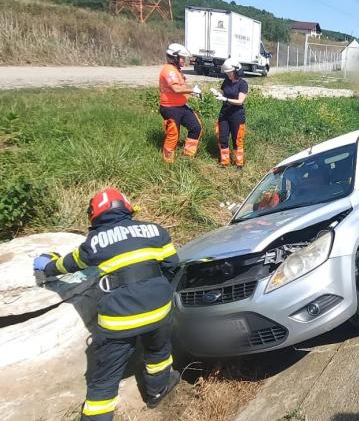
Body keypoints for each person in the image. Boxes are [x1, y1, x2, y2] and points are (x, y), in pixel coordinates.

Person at [32, 188, 180, 420]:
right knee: (158, 352)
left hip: (119, 320)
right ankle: (158, 391)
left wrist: (47, 265)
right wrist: (155, 292)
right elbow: (172, 265)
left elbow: (68, 264)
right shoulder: (156, 230)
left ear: (95, 215)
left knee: (105, 377)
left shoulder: (94, 242)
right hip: (160, 310)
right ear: (127, 207)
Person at [158, 43, 203, 163]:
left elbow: (181, 87)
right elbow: (176, 89)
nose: (184, 61)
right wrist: (192, 90)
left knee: (196, 127)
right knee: (173, 135)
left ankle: (187, 157)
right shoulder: (169, 70)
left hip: (181, 106)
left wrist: (191, 93)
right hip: (170, 108)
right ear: (174, 57)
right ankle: (168, 162)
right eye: (182, 58)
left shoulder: (177, 70)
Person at [211, 58, 248, 167]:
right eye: (226, 73)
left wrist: (226, 99)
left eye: (229, 72)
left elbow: (240, 101)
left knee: (237, 140)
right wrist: (218, 94)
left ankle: (239, 164)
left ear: (236, 71)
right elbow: (223, 94)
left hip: (237, 115)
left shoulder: (243, 84)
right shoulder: (226, 81)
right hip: (224, 113)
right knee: (222, 138)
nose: (228, 75)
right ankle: (225, 162)